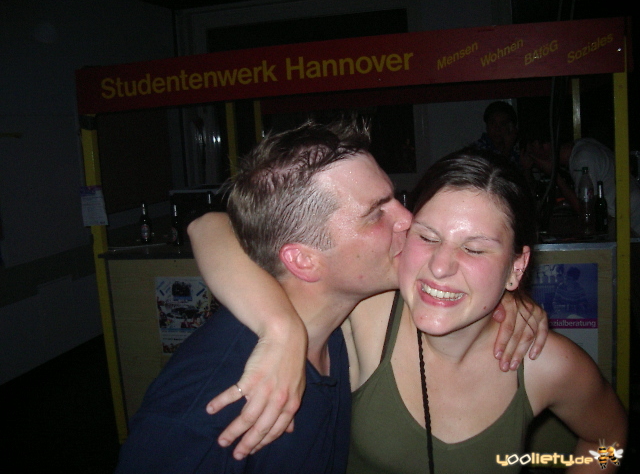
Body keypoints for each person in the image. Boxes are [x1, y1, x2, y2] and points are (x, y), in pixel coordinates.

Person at [193, 148, 626, 473]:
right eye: (428, 236)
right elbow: (211, 226)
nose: (440, 266)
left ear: (516, 267)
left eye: (475, 249)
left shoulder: (546, 363)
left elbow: (611, 441)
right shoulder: (367, 311)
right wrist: (281, 328)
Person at [114, 119, 411, 472]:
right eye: (375, 213)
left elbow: (208, 224)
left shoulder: (335, 327)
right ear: (303, 260)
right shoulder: (209, 403)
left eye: (394, 199)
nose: (408, 218)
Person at [520, 122, 640, 236]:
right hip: (623, 210)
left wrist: (554, 175)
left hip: (629, 216)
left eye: (531, 152)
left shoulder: (582, 160)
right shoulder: (581, 146)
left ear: (543, 146)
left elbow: (585, 211)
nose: (532, 157)